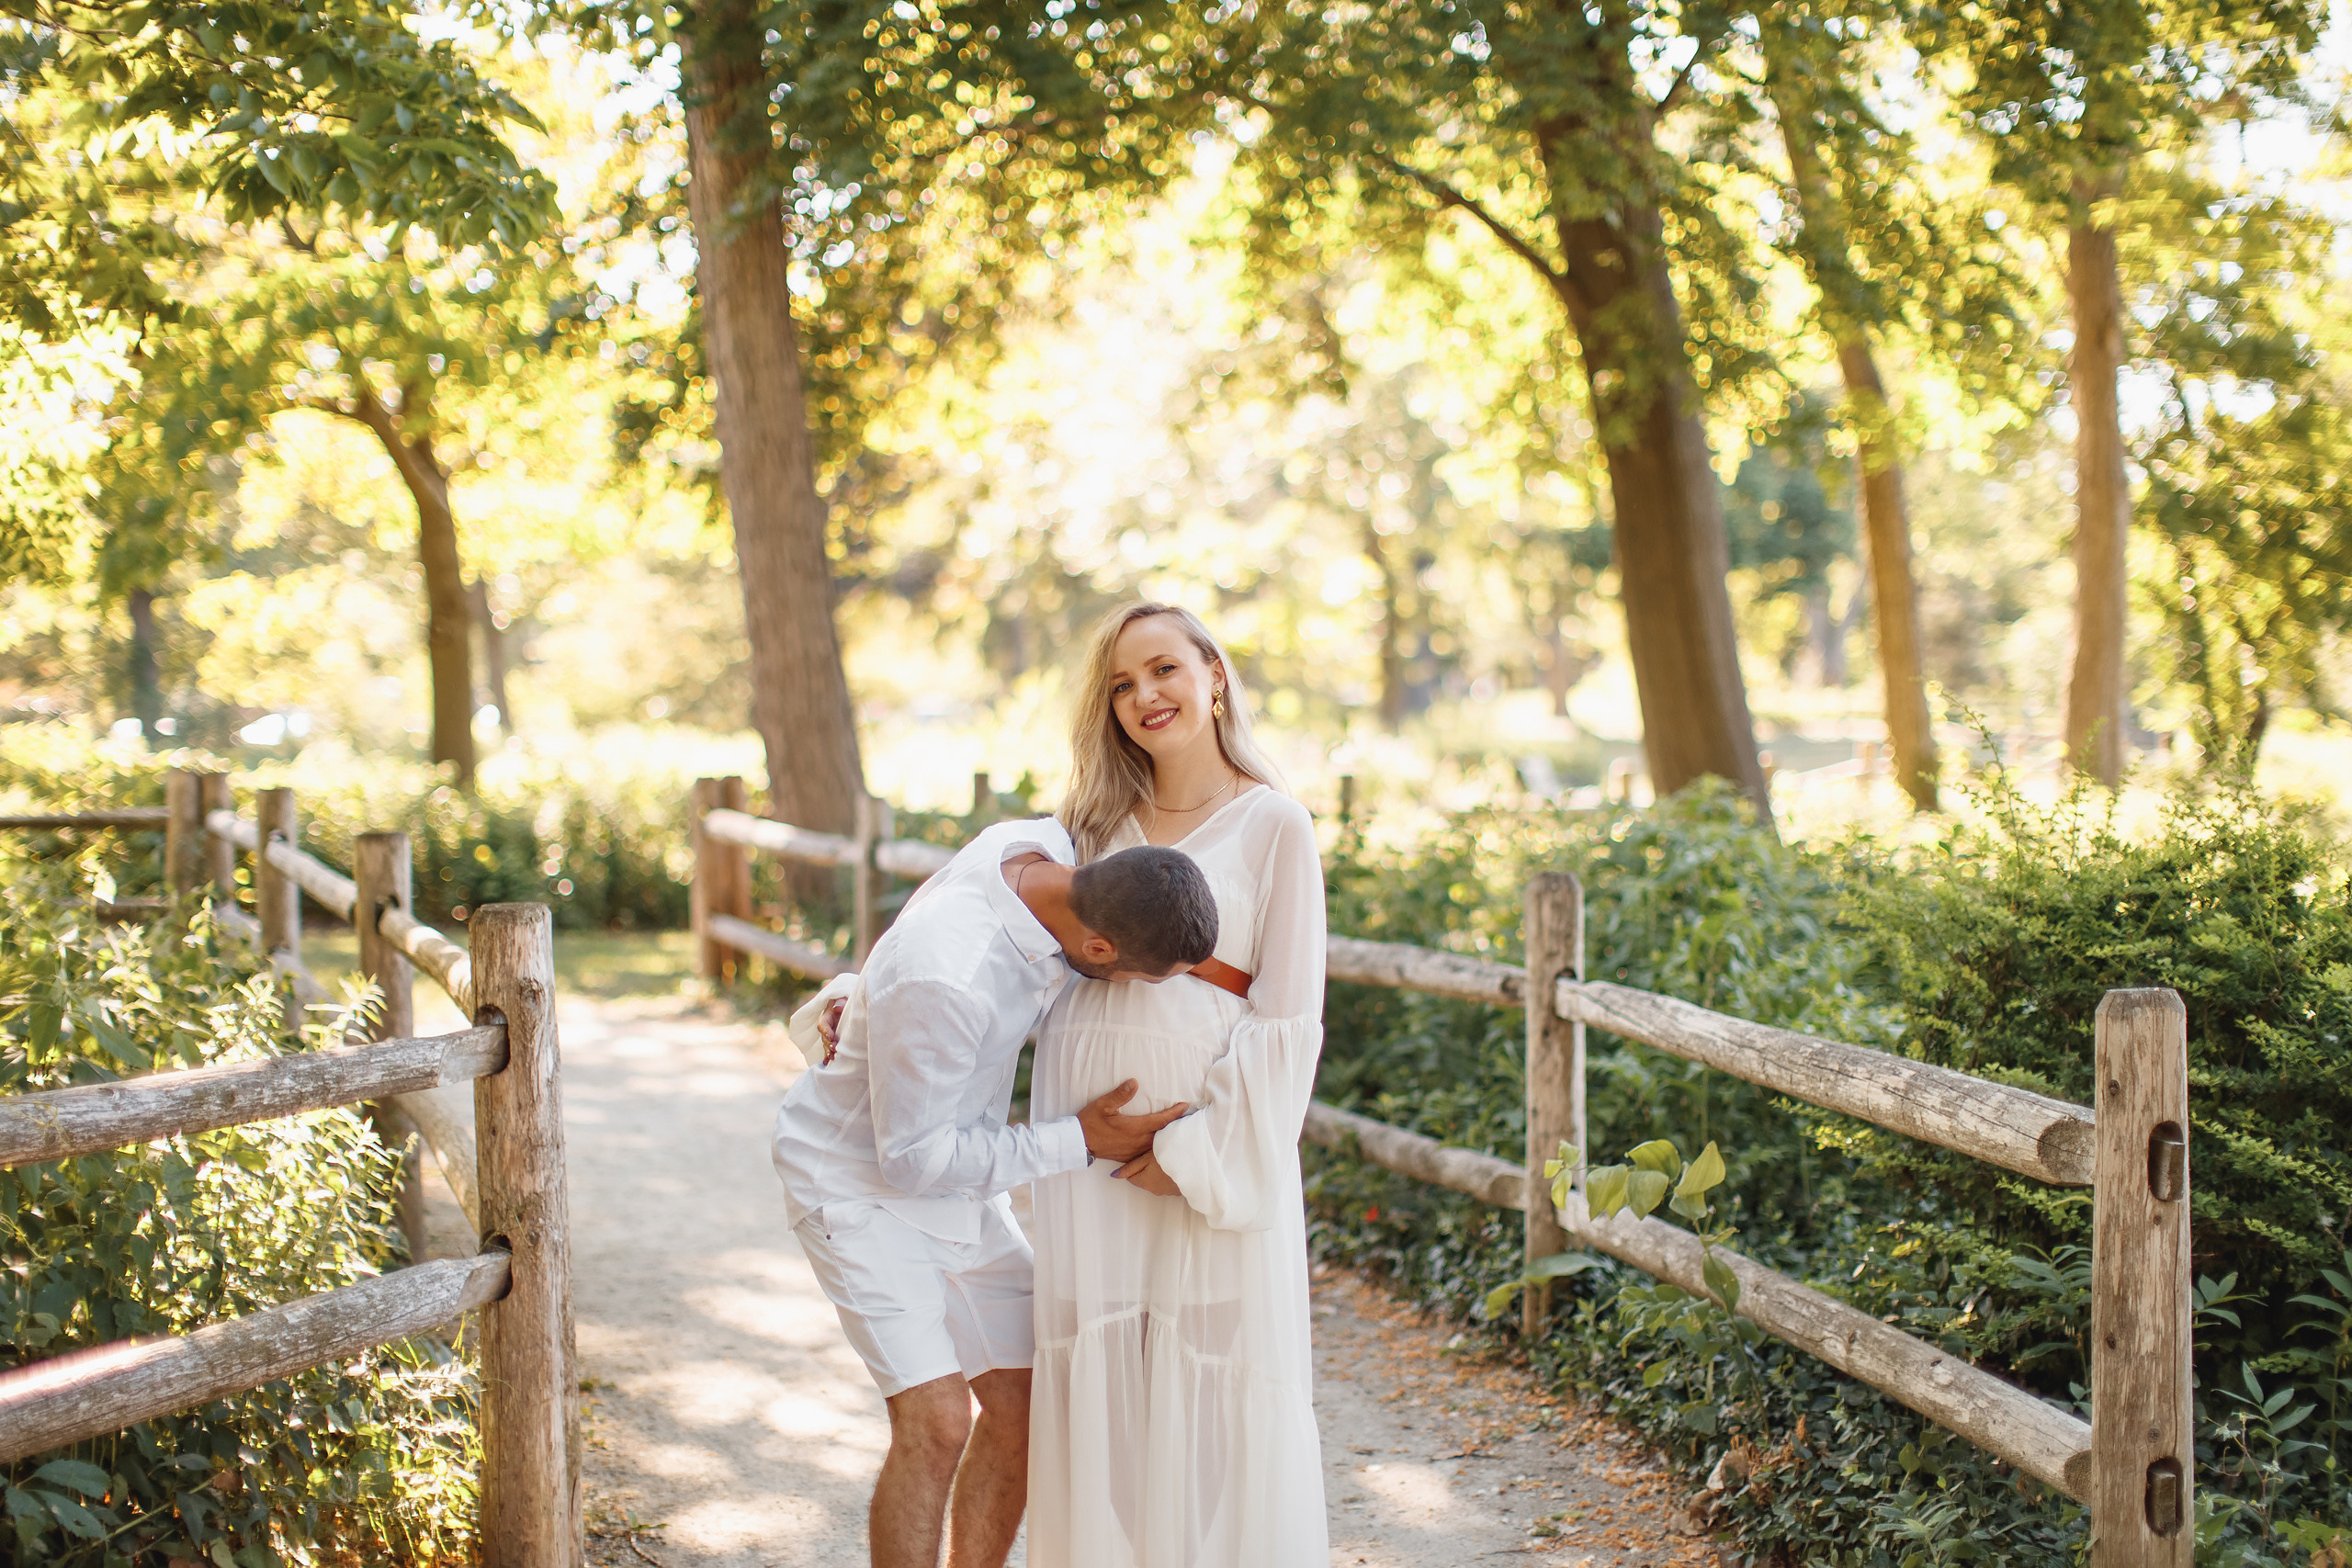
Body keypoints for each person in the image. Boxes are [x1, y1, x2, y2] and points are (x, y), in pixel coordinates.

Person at [771, 818, 1220, 1568]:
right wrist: (1080, 1139)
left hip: (962, 1174)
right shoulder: (948, 975)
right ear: (1098, 949)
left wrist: (867, 995)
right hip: (858, 1185)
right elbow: (912, 1161)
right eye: (1143, 978)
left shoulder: (1036, 846)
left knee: (1030, 1401)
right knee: (937, 1420)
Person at [1025, 602, 1330, 1568]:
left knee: (1210, 1398)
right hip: (1086, 1159)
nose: (1144, 696)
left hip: (1201, 1162)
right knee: (1102, 1396)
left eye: (1163, 669)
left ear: (1214, 674)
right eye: (1121, 684)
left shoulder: (1274, 823)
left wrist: (1192, 1153)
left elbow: (1286, 1019)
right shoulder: (1086, 825)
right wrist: (856, 1002)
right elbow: (995, 947)